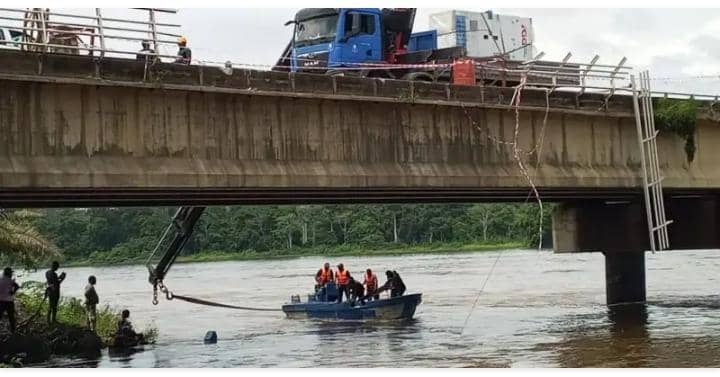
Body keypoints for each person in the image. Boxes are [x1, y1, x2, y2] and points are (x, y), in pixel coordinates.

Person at [0, 267, 20, 333]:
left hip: (1, 301)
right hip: (9, 301)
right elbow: (17, 286)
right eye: (11, 272)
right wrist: (13, 292)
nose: (11, 274)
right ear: (9, 273)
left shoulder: (1, 279)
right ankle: (13, 331)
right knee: (11, 317)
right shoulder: (10, 280)